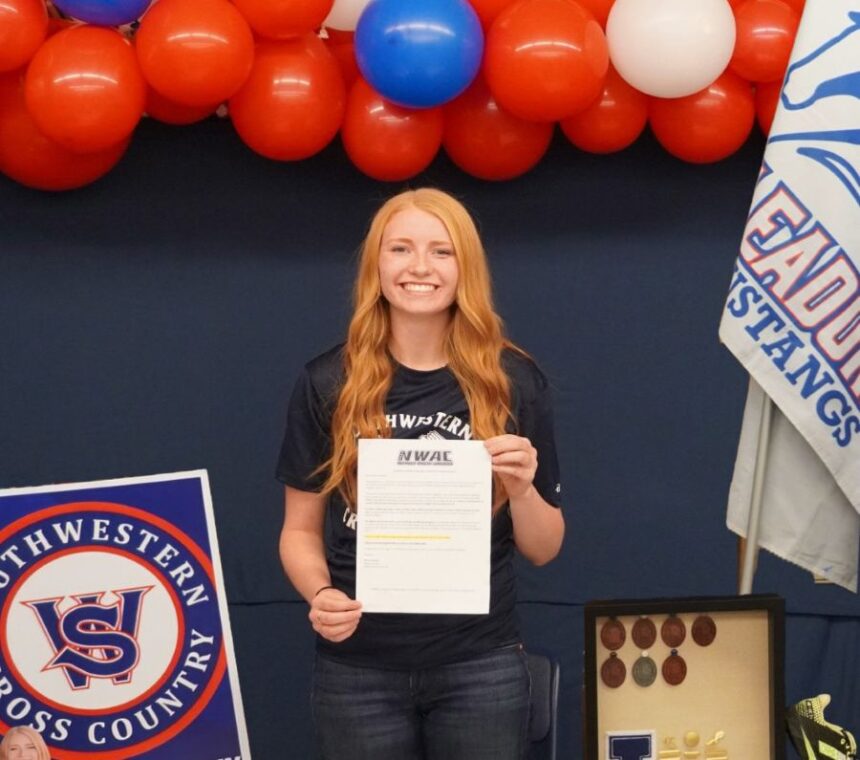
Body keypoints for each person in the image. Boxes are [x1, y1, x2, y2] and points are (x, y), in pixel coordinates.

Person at [277, 187, 564, 760]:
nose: (418, 268)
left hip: (480, 665)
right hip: (358, 669)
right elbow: (300, 530)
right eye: (400, 248)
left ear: (466, 268)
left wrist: (522, 488)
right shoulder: (328, 381)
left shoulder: (513, 381)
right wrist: (321, 593)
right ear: (375, 264)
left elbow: (544, 548)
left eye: (441, 251)